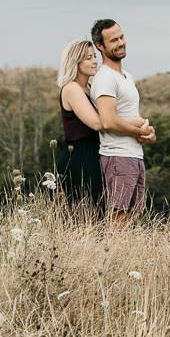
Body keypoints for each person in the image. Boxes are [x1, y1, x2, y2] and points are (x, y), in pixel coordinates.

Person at [87, 18, 154, 224]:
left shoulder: (127, 76)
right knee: (118, 220)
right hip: (117, 156)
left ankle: (124, 257)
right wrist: (140, 131)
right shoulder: (105, 78)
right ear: (100, 46)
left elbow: (128, 115)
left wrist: (148, 132)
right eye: (113, 40)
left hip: (134, 155)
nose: (121, 42)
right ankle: (111, 257)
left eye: (121, 37)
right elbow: (108, 121)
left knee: (132, 219)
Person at [54, 40, 105, 214]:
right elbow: (97, 123)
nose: (94, 61)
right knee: (87, 215)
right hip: (80, 157)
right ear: (75, 62)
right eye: (88, 58)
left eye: (94, 57)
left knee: (100, 211)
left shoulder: (89, 87)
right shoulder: (71, 89)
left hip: (95, 153)